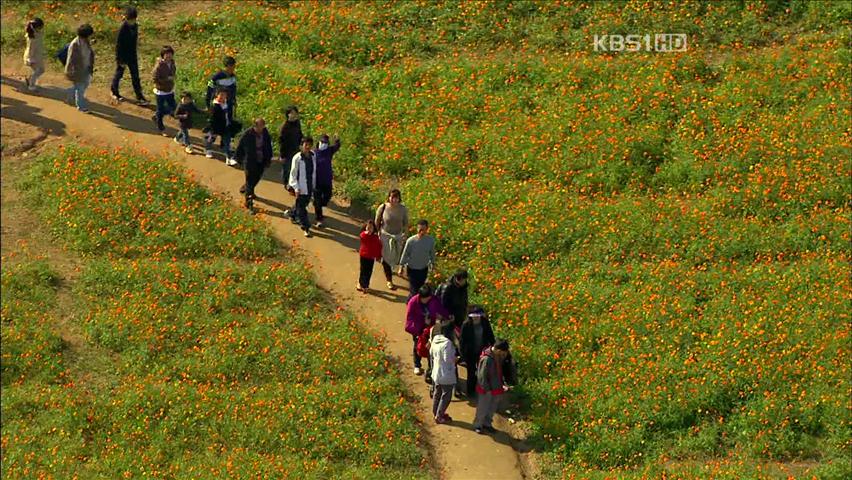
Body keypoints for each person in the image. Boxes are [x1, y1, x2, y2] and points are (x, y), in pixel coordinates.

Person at [404, 285, 449, 375]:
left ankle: (430, 367)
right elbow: (409, 320)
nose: (428, 300)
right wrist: (418, 331)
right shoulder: (413, 302)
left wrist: (447, 316)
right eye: (427, 298)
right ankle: (417, 365)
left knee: (431, 346)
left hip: (430, 327)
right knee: (418, 345)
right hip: (418, 328)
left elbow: (440, 309)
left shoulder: (433, 300)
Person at [234, 118, 273, 214]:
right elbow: (240, 147)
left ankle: (246, 188)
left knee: (257, 178)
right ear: (255, 126)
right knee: (250, 181)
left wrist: (268, 158)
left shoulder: (265, 133)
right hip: (250, 161)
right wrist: (239, 159)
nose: (261, 129)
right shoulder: (248, 134)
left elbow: (268, 145)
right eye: (259, 127)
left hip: (261, 160)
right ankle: (249, 203)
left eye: (262, 126)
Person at [110, 7, 147, 105]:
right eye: (130, 19)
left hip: (132, 55)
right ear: (126, 18)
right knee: (119, 74)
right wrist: (120, 60)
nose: (132, 21)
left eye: (133, 19)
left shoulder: (135, 26)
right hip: (123, 56)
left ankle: (139, 96)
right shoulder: (123, 28)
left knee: (135, 76)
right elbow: (118, 46)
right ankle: (114, 91)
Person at [473, 339, 511, 435]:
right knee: (483, 407)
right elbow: (482, 376)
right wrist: (486, 389)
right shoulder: (486, 358)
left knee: (492, 407)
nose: (504, 355)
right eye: (503, 352)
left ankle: (487, 424)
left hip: (496, 386)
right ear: (498, 350)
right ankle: (478, 425)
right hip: (486, 389)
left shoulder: (496, 356)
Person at [375, 189, 409, 290]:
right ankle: (389, 280)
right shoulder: (383, 207)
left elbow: (406, 223)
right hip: (385, 236)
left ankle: (397, 268)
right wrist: (378, 232)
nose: (394, 200)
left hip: (398, 236)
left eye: (396, 198)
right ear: (389, 197)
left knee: (396, 257)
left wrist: (405, 235)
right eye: (392, 197)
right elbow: (377, 221)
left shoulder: (403, 209)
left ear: (399, 199)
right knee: (386, 258)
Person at [459, 306, 495, 397]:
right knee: (471, 373)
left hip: (482, 352)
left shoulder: (484, 323)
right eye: (474, 316)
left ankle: (482, 390)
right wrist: (462, 356)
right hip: (470, 353)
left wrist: (493, 347)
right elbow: (462, 342)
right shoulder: (466, 325)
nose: (476, 317)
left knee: (482, 372)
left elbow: (490, 335)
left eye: (478, 315)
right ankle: (470, 391)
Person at [400, 219, 437, 299]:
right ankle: (413, 305)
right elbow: (405, 254)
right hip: (412, 269)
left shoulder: (430, 241)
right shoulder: (411, 241)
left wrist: (433, 265)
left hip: (423, 269)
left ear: (427, 229)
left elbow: (432, 254)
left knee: (420, 289)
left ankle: (411, 302)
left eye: (423, 230)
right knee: (414, 290)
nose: (421, 232)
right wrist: (401, 267)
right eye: (419, 229)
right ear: (417, 229)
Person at [430, 322, 458, 424]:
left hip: (436, 372)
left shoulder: (435, 340)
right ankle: (439, 415)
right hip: (446, 373)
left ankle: (435, 412)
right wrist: (455, 359)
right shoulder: (448, 343)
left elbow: (431, 353)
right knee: (446, 395)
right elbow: (447, 359)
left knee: (437, 393)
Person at [288, 137, 316, 237]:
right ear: (301, 146)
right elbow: (293, 174)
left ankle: (291, 213)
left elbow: (314, 172)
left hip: (309, 186)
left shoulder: (313, 155)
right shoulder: (297, 158)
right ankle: (306, 227)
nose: (308, 147)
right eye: (306, 145)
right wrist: (296, 187)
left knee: (302, 204)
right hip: (300, 187)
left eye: (309, 145)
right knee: (302, 209)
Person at [278, 106, 302, 220]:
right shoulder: (285, 127)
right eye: (291, 113)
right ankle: (287, 184)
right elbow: (282, 142)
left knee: (295, 169)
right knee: (287, 169)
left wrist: (302, 144)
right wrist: (282, 155)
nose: (293, 115)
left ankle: (292, 184)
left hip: (295, 150)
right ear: (287, 115)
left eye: (295, 113)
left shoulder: (297, 123)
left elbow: (300, 134)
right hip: (287, 153)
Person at [64, 23, 95, 113]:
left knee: (85, 85)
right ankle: (81, 106)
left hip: (86, 68)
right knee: (80, 89)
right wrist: (74, 72)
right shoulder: (75, 44)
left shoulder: (86, 41)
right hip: (77, 70)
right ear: (85, 36)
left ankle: (69, 92)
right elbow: (71, 60)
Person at [313, 133, 340, 228]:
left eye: (325, 142)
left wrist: (337, 140)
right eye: (322, 142)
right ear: (318, 143)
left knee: (327, 196)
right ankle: (319, 219)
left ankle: (320, 204)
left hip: (327, 180)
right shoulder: (314, 153)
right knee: (317, 201)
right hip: (317, 181)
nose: (323, 144)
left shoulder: (329, 151)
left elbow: (337, 146)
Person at [204, 88, 237, 163]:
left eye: (224, 95)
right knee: (211, 139)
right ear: (217, 95)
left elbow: (229, 113)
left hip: (226, 126)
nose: (223, 97)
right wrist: (213, 128)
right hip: (216, 126)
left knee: (227, 141)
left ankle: (228, 158)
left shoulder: (227, 103)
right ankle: (208, 149)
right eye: (221, 95)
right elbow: (212, 119)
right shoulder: (214, 106)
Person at [150, 46, 176, 137]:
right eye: (166, 54)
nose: (169, 56)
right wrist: (166, 79)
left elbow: (173, 72)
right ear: (163, 55)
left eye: (170, 54)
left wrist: (172, 79)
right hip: (160, 91)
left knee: (173, 107)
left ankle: (157, 115)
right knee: (161, 110)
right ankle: (161, 127)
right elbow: (154, 78)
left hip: (170, 90)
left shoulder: (172, 62)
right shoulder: (159, 66)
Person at [357, 220, 383, 292]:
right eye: (368, 227)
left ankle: (366, 285)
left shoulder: (375, 238)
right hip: (363, 256)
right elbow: (362, 236)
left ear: (373, 229)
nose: (369, 229)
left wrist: (379, 256)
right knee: (363, 270)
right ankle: (361, 283)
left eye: (371, 228)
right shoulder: (363, 235)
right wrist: (366, 233)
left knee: (369, 271)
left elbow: (379, 247)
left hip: (371, 257)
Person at [23, 17, 45, 92]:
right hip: (32, 57)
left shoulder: (36, 33)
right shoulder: (32, 38)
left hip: (37, 56)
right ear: (36, 28)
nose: (42, 28)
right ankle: (31, 85)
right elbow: (30, 49)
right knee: (38, 70)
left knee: (41, 70)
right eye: (40, 27)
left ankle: (29, 80)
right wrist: (30, 59)